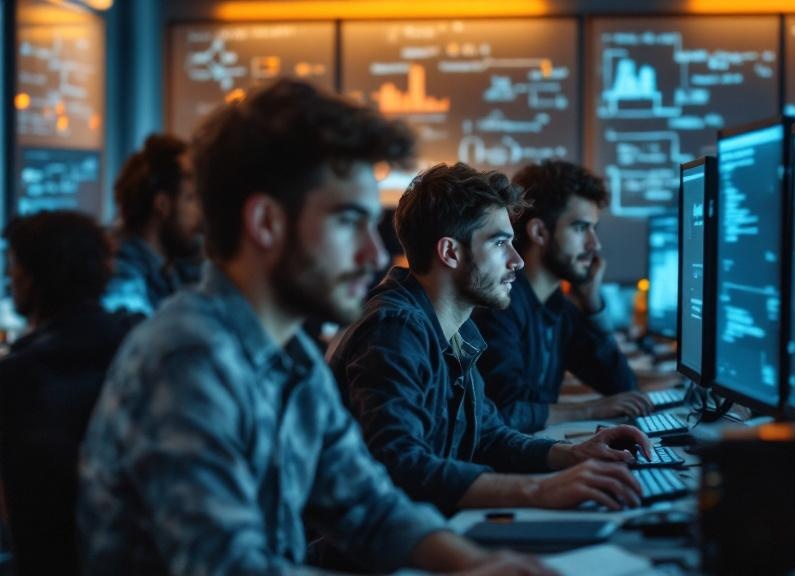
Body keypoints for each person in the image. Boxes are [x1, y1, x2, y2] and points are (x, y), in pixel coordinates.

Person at [78, 80, 549, 576]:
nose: (372, 255)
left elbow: (369, 506)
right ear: (266, 222)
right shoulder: (190, 358)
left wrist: (477, 564)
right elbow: (230, 568)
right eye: (349, 221)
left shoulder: (291, 356)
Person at [328, 162, 652, 516]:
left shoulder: (458, 329)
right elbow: (401, 467)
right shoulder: (395, 328)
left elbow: (488, 435)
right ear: (450, 252)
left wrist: (574, 454)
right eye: (500, 243)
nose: (517, 261)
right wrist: (540, 489)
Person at [0, 211, 138, 575]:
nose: (10, 277)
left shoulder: (14, 376)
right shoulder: (136, 346)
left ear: (34, 275)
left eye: (14, 265)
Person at [472, 160, 651, 433]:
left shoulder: (558, 308)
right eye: (580, 228)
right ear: (539, 232)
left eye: (594, 228)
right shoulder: (499, 304)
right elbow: (506, 411)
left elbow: (623, 388)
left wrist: (592, 305)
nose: (594, 244)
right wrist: (590, 409)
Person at [103, 134, 204, 316]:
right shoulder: (121, 274)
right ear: (162, 204)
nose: (199, 212)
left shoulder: (172, 268)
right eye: (190, 198)